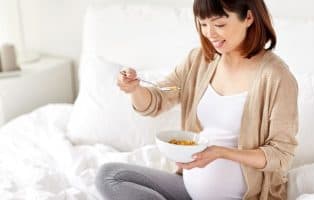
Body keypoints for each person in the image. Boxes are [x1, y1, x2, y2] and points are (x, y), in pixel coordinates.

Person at [95, 0, 298, 199]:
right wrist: (135, 89)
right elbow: (158, 99)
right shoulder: (198, 62)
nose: (209, 33)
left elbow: (281, 156)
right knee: (110, 176)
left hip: (244, 196)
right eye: (202, 24)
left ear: (248, 17)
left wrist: (220, 152)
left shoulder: (277, 77)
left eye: (219, 24)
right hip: (189, 190)